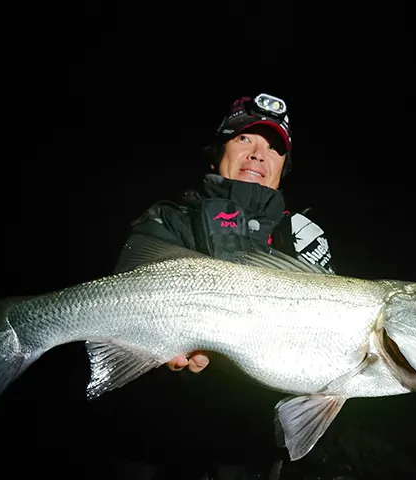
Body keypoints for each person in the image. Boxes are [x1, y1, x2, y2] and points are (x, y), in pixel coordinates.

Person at [108, 93, 339, 479]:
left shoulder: (302, 235)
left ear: (284, 166)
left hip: (248, 448)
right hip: (152, 441)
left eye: (273, 147)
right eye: (244, 139)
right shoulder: (169, 219)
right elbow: (124, 303)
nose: (258, 154)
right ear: (217, 153)